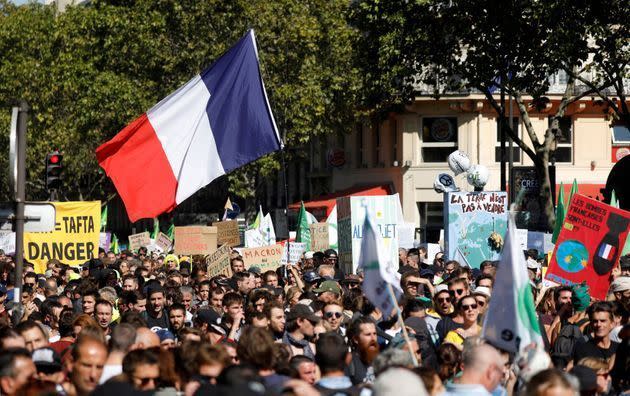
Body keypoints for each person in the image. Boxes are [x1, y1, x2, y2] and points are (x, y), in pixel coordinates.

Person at [346, 315, 379, 385]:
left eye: (375, 334)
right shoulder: (348, 362)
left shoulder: (382, 361)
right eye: (368, 334)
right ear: (356, 339)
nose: (373, 338)